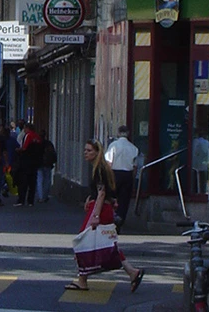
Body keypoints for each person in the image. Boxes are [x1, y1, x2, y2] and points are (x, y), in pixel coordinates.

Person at [65, 139, 144, 292]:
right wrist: (93, 199)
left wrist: (95, 215)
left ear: (97, 152)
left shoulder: (99, 169)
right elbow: (105, 192)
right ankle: (132, 272)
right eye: (85, 150)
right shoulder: (102, 168)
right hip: (103, 208)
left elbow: (101, 192)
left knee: (82, 242)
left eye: (89, 150)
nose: (85, 153)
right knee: (108, 244)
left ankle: (82, 280)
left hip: (100, 210)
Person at [104, 125, 139, 228]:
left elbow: (109, 162)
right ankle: (120, 220)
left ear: (118, 133)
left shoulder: (114, 146)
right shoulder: (133, 148)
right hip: (127, 174)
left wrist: (107, 177)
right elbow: (135, 166)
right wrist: (132, 177)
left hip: (115, 173)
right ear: (128, 134)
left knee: (111, 197)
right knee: (124, 200)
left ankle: (110, 218)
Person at [15, 123, 41, 207]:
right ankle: (31, 201)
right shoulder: (37, 136)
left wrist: (18, 150)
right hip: (35, 162)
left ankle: (21, 200)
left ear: (27, 128)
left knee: (23, 182)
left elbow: (24, 148)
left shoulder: (28, 136)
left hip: (26, 162)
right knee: (32, 182)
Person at [36, 130, 57, 203]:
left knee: (40, 180)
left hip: (39, 163)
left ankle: (41, 197)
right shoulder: (49, 144)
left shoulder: (37, 144)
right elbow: (53, 153)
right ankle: (45, 196)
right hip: (48, 163)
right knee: (47, 180)